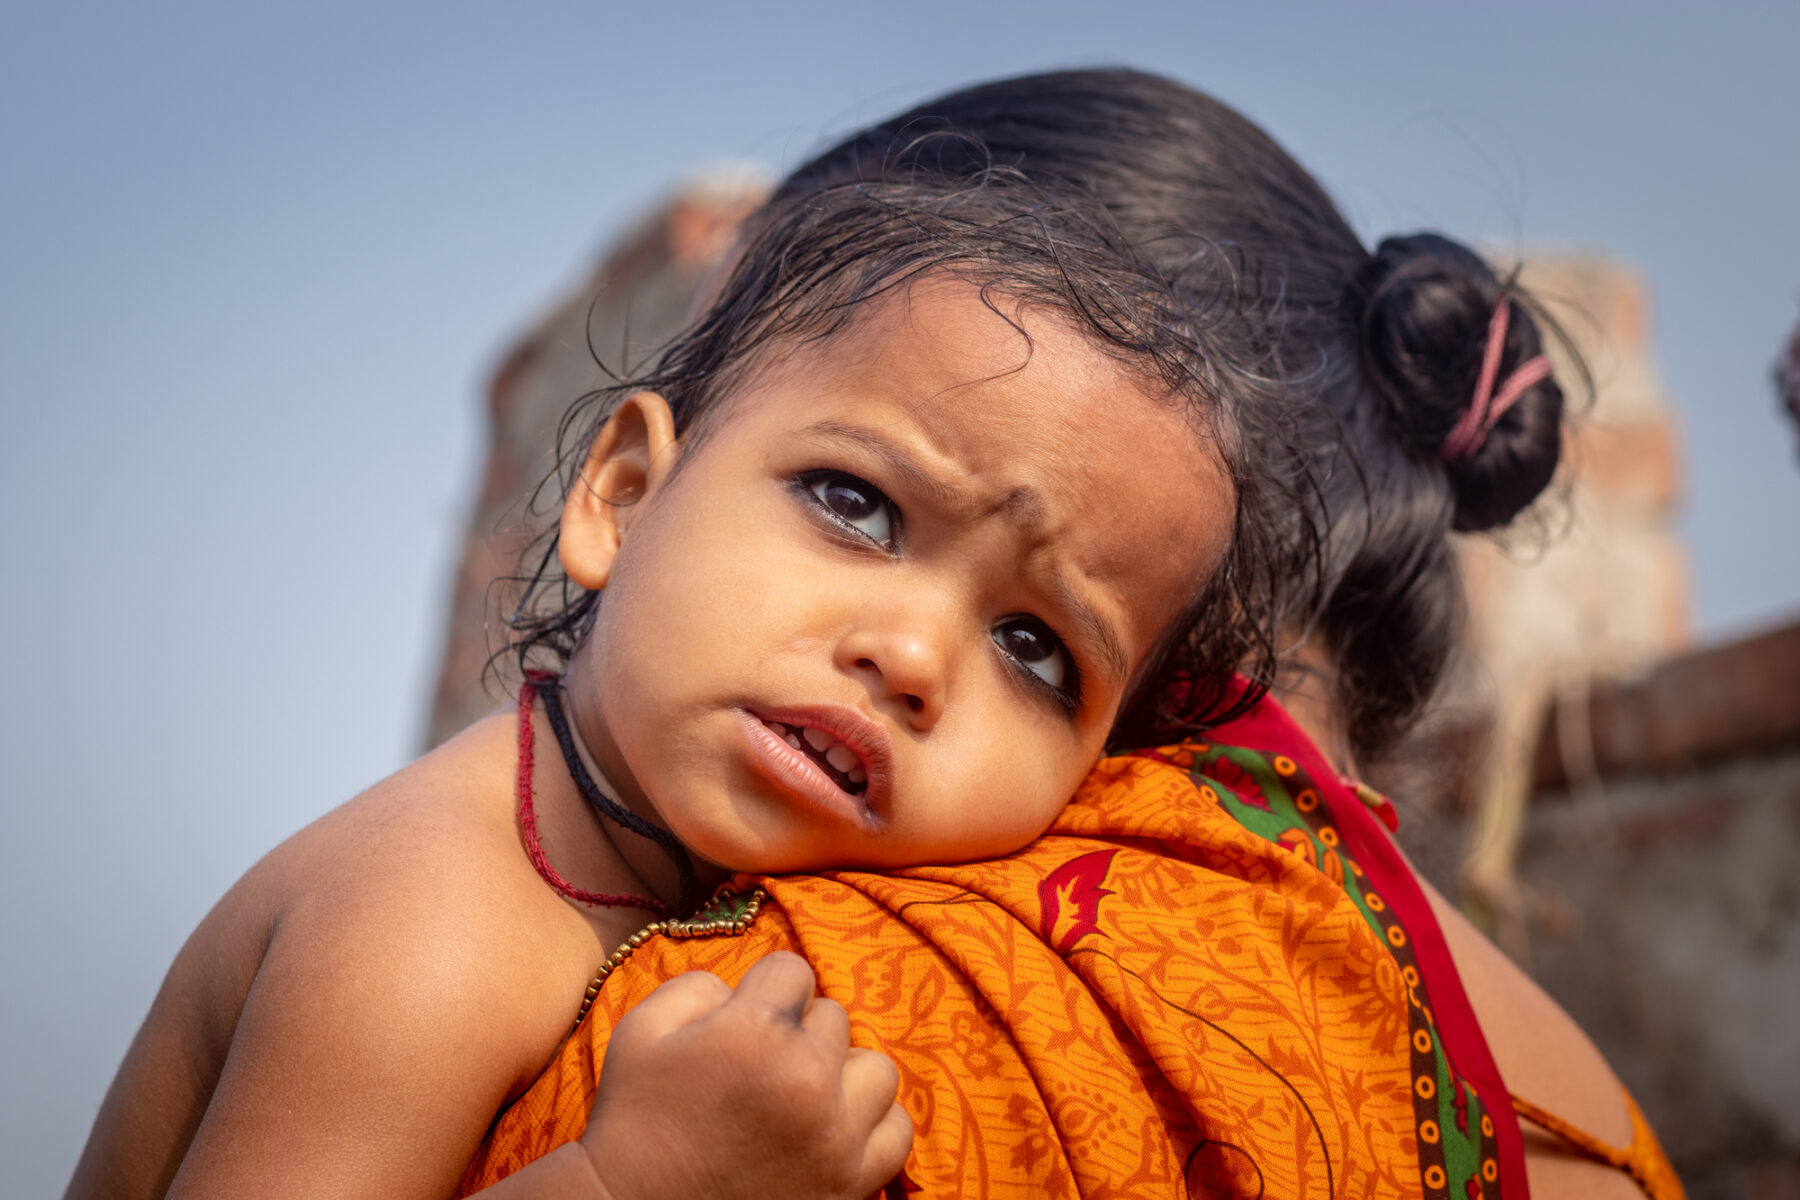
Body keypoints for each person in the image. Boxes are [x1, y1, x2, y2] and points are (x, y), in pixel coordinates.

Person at [67, 69, 1678, 1200]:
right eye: (854, 504)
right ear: (622, 493)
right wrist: (632, 1180)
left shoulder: (685, 879)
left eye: (1040, 652)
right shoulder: (431, 928)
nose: (913, 655)